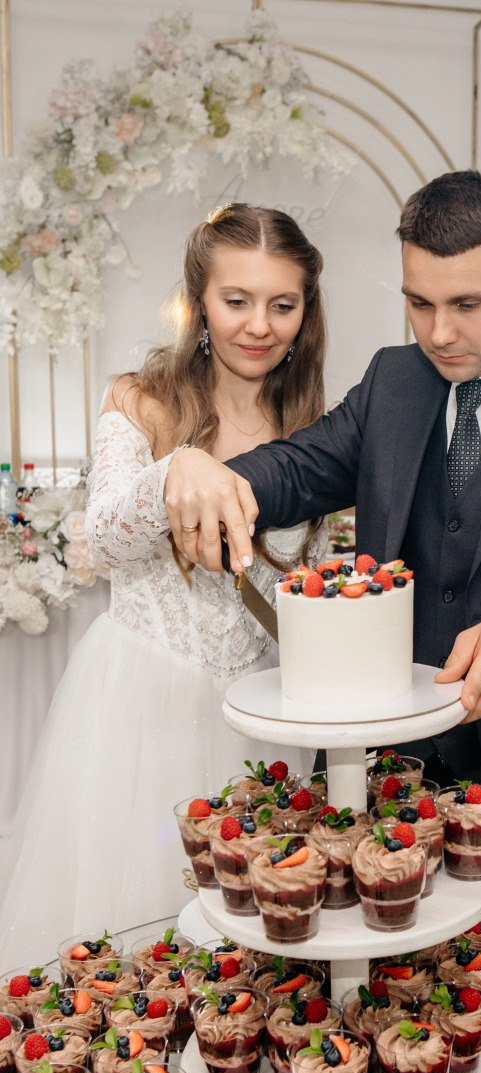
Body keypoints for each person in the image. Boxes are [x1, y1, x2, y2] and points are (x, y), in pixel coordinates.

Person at [163, 172, 481, 928]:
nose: (438, 332)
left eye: (468, 304)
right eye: (419, 303)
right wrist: (199, 468)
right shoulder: (394, 380)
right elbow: (303, 466)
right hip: (402, 783)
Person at [0, 204, 327, 966]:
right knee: (139, 926)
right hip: (141, 702)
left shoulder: (312, 425)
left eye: (283, 304)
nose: (259, 325)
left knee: (252, 934)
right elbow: (107, 541)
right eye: (236, 300)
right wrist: (174, 467)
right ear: (200, 303)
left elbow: (299, 584)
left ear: (307, 311)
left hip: (266, 715)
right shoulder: (140, 399)